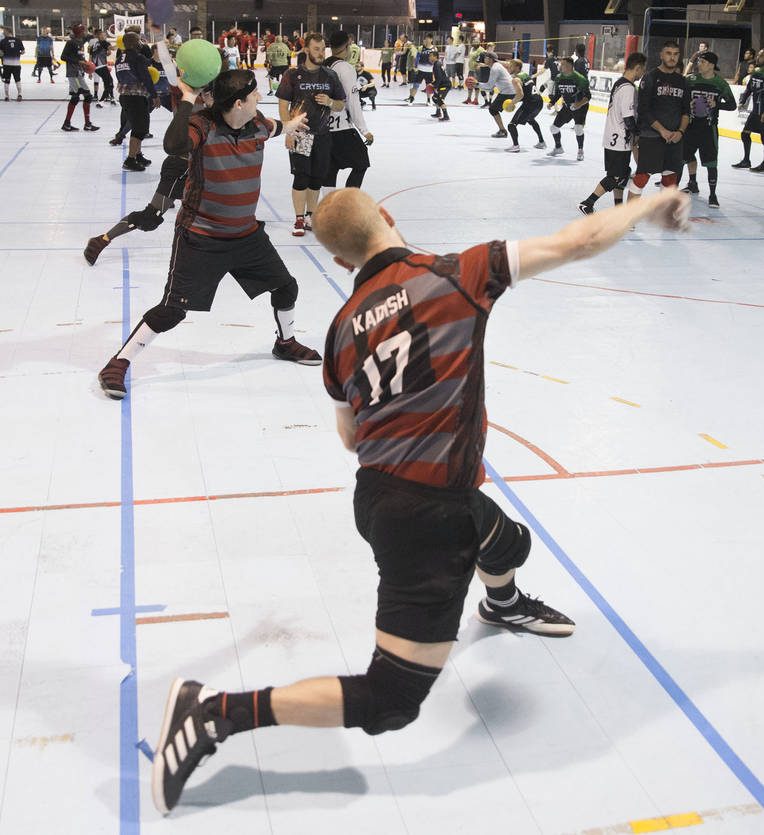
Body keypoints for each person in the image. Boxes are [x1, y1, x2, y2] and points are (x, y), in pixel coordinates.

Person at [149, 181, 692, 818]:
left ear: (343, 262)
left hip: (383, 498)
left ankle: (503, 600)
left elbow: (351, 435)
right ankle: (213, 713)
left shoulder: (340, 331)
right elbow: (581, 240)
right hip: (425, 518)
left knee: (505, 539)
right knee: (391, 701)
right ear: (387, 216)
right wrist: (648, 203)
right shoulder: (457, 274)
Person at [96, 70, 316, 400]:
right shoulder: (204, 126)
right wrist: (186, 98)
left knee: (286, 287)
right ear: (239, 102)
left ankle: (284, 343)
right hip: (201, 236)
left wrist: (292, 124)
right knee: (172, 310)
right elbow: (174, 145)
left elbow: (275, 128)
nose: (260, 99)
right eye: (255, 95)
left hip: (246, 235)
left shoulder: (256, 122)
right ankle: (117, 363)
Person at [84, 87, 216, 266]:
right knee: (150, 217)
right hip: (179, 168)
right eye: (207, 93)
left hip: (200, 168)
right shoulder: (184, 99)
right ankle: (102, 239)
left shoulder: (215, 106)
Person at [277, 32, 346, 237]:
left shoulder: (330, 76)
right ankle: (299, 219)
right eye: (316, 49)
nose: (320, 52)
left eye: (322, 48)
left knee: (317, 177)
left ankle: (310, 216)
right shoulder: (292, 75)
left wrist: (331, 103)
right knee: (301, 177)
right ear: (306, 50)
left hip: (323, 135)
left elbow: (341, 104)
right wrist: (288, 130)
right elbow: (283, 104)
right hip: (301, 135)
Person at [578, 51, 646, 213]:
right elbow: (628, 118)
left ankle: (618, 208)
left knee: (623, 173)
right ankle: (588, 203)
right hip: (620, 139)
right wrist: (637, 135)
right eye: (643, 70)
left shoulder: (619, 84)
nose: (643, 74)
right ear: (637, 68)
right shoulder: (628, 88)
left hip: (615, 137)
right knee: (616, 176)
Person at [630, 41, 689, 198]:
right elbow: (644, 110)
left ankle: (663, 216)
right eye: (668, 53)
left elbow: (686, 112)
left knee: (670, 178)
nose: (672, 57)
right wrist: (662, 130)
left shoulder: (683, 81)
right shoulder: (650, 77)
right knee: (642, 177)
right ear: (661, 55)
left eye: (675, 54)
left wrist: (680, 132)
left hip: (674, 139)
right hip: (652, 136)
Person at [680, 51, 735, 208]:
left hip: (708, 129)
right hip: (690, 128)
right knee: (681, 160)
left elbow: (732, 105)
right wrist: (686, 105)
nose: (699, 64)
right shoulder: (690, 80)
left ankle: (712, 195)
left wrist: (716, 105)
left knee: (711, 163)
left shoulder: (720, 83)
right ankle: (678, 189)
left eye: (703, 62)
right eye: (699, 61)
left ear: (711, 65)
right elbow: (680, 99)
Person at [322, 32, 373, 191]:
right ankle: (348, 203)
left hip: (323, 127)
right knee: (361, 162)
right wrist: (364, 130)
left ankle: (329, 208)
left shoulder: (323, 65)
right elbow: (352, 101)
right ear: (347, 46)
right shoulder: (345, 68)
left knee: (330, 169)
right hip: (341, 127)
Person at [114, 30, 159, 171]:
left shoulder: (120, 58)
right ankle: (130, 159)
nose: (140, 42)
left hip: (124, 97)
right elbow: (146, 77)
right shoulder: (137, 57)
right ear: (134, 43)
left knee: (136, 125)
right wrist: (154, 95)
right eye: (138, 40)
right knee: (141, 128)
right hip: (136, 97)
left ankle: (138, 155)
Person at [732, 47, 764, 173]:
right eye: (758, 55)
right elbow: (749, 88)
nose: (757, 57)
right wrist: (743, 100)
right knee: (745, 133)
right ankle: (746, 160)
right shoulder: (756, 71)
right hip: (755, 109)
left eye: (761, 56)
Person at [546, 54, 591, 160]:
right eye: (560, 64)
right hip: (567, 107)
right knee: (553, 128)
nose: (560, 66)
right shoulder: (559, 78)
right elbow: (558, 93)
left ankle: (580, 150)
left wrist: (578, 104)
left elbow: (588, 96)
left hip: (580, 107)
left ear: (570, 66)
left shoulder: (580, 79)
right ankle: (558, 147)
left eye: (563, 64)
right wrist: (552, 102)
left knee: (578, 128)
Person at [60, 24, 99, 131]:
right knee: (87, 97)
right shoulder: (71, 42)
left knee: (75, 98)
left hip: (79, 73)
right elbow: (63, 57)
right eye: (83, 31)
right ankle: (87, 124)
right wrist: (79, 62)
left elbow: (79, 57)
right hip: (74, 73)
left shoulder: (80, 43)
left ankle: (67, 124)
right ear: (79, 32)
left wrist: (86, 64)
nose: (85, 32)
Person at [504, 58, 546, 152]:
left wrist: (511, 104)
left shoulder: (515, 80)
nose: (508, 68)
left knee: (511, 125)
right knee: (531, 119)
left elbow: (520, 95)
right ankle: (542, 142)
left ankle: (515, 146)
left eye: (511, 66)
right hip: (539, 102)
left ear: (517, 67)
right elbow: (526, 92)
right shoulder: (525, 75)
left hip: (530, 103)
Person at [478, 52, 515, 138]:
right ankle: (502, 130)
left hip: (507, 92)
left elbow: (489, 87)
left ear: (490, 59)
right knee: (493, 109)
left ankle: (503, 131)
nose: (484, 59)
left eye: (486, 57)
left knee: (493, 109)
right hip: (508, 90)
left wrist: (477, 84)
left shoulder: (495, 69)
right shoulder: (496, 66)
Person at [406, 34, 437, 105]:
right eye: (426, 39)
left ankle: (428, 100)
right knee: (416, 85)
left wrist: (435, 69)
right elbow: (417, 58)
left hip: (429, 71)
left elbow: (436, 59)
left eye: (428, 39)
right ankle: (411, 99)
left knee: (429, 86)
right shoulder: (421, 48)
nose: (427, 40)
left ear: (431, 40)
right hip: (420, 70)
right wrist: (415, 66)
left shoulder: (434, 49)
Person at [88, 28, 114, 104]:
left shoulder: (94, 45)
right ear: (101, 37)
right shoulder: (104, 42)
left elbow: (92, 55)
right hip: (101, 66)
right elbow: (112, 49)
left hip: (95, 67)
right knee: (109, 83)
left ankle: (107, 98)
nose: (105, 36)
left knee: (108, 82)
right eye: (104, 35)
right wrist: (122, 45)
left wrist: (90, 70)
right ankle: (103, 100)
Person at [0, 27, 23, 101]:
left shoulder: (3, 41)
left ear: (7, 32)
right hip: (16, 64)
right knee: (17, 80)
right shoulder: (18, 40)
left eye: (4, 31)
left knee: (7, 80)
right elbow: (23, 51)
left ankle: (6, 96)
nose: (3, 33)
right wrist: (17, 53)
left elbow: (0, 53)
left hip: (7, 64)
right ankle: (19, 94)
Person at [428, 56, 451, 120]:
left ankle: (446, 116)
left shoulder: (437, 65)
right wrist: (433, 83)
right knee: (434, 98)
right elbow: (439, 77)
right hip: (442, 84)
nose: (429, 57)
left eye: (431, 56)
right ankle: (438, 113)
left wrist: (435, 86)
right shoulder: (437, 64)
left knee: (440, 100)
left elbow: (439, 78)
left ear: (434, 57)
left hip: (445, 85)